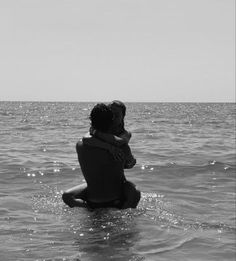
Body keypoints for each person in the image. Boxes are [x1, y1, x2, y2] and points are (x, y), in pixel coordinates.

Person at [62, 103, 140, 209]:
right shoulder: (120, 146)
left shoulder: (80, 145)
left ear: (91, 121)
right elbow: (128, 162)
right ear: (111, 121)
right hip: (116, 198)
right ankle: (124, 210)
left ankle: (88, 208)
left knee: (66, 196)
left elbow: (87, 139)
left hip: (93, 199)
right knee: (135, 193)